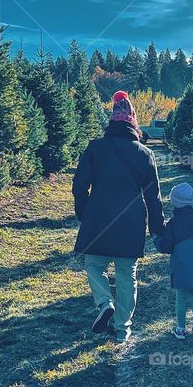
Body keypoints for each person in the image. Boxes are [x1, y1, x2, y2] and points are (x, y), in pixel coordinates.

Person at [73, 91, 164, 342]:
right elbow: (153, 196)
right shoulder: (144, 153)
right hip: (131, 221)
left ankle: (104, 304)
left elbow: (79, 185)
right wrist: (157, 227)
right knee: (127, 274)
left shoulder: (95, 148)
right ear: (133, 121)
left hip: (98, 217)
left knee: (94, 266)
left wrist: (84, 212)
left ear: (111, 120)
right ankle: (122, 327)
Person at [155, 182, 193, 339]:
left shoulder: (174, 224)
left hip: (181, 266)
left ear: (174, 203)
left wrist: (156, 239)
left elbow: (165, 247)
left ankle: (181, 329)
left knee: (181, 296)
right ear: (191, 202)